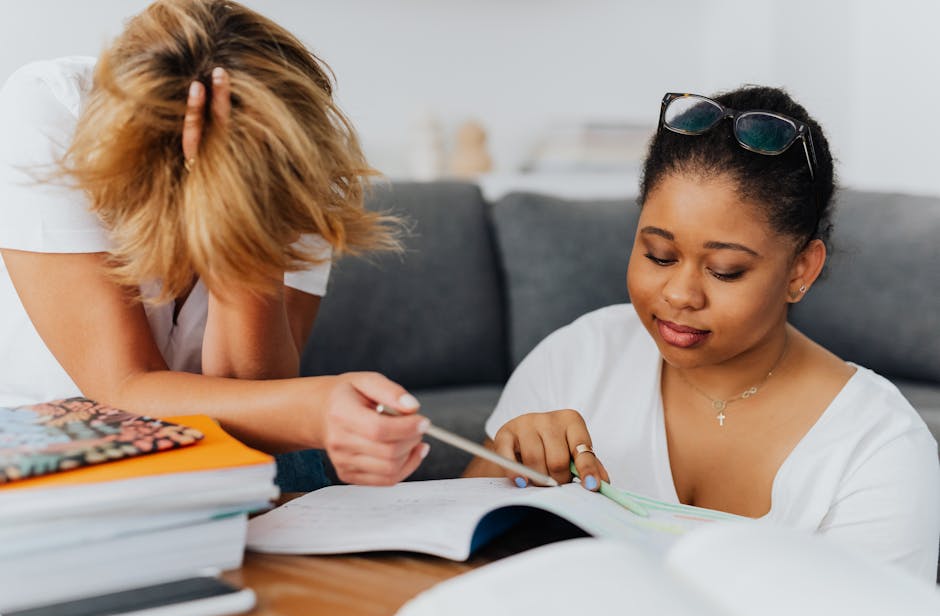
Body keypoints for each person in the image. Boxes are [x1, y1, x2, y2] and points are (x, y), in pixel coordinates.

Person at [465, 87, 940, 580]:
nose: (680, 294)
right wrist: (506, 468)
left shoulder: (879, 450)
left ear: (801, 269)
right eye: (658, 255)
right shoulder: (579, 357)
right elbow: (450, 557)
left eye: (725, 270)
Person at [0, 0, 430, 489]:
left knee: (286, 462)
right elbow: (119, 390)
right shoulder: (50, 107)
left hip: (215, 438)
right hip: (54, 430)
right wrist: (312, 408)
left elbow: (253, 395)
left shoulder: (294, 152)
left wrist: (245, 210)